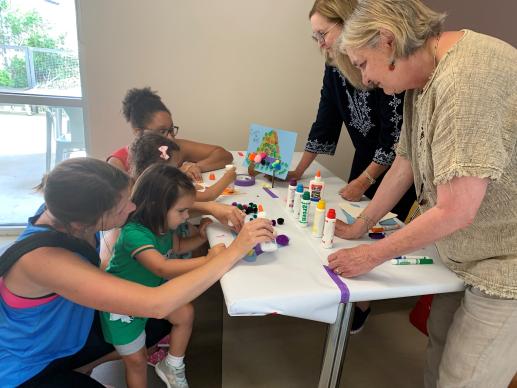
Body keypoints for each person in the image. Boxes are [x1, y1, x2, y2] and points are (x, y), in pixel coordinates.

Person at [329, 0, 517, 386]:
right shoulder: (425, 75)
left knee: (463, 378)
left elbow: (457, 209)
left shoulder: (466, 78)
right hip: (466, 251)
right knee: (439, 353)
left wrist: (373, 254)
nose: (365, 80)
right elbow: (406, 160)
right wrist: (363, 224)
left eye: (363, 64)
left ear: (386, 41)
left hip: (506, 261)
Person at [0, 158, 274, 387]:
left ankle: (85, 364)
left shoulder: (62, 210)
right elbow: (156, 304)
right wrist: (234, 251)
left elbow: (148, 206)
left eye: (129, 199)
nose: (132, 208)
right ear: (83, 224)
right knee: (159, 315)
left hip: (69, 333)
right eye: (122, 208)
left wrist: (208, 207)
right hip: (30, 367)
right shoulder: (45, 260)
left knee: (165, 322)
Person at [293, 0, 416, 333]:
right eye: (314, 36)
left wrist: (365, 180)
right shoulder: (335, 64)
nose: (320, 44)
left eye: (323, 34)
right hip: (368, 159)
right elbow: (326, 118)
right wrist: (298, 168)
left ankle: (361, 304)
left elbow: (395, 137)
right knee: (351, 229)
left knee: (377, 236)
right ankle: (351, 298)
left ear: (346, 24)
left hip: (393, 164)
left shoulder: (383, 61)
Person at [101, 164, 223, 387]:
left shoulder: (164, 225)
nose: (187, 216)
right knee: (137, 362)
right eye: (181, 211)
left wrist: (202, 237)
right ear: (157, 206)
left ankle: (173, 365)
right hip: (123, 308)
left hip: (150, 297)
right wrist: (210, 261)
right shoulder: (134, 233)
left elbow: (176, 247)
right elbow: (162, 267)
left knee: (185, 313)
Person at [108, 87, 233, 182]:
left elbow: (223, 155)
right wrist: (178, 173)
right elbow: (137, 204)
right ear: (138, 132)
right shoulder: (117, 163)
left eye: (171, 129)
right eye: (162, 132)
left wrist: (196, 167)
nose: (170, 138)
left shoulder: (174, 147)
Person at [129, 132, 237, 202]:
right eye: (175, 168)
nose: (178, 171)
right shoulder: (164, 190)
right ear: (159, 171)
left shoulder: (144, 186)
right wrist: (228, 177)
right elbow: (209, 195)